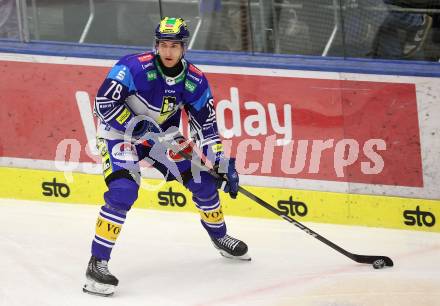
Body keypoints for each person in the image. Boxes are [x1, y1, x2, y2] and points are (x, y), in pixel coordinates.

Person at [83, 17, 250, 297]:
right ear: (156, 45)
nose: (168, 51)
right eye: (163, 45)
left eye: (174, 45)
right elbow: (103, 103)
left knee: (205, 182)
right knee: (123, 190)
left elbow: (206, 127)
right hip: (118, 134)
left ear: (184, 47)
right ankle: (97, 263)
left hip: (162, 136)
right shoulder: (132, 67)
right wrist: (135, 125)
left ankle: (220, 238)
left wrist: (220, 162)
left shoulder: (195, 79)